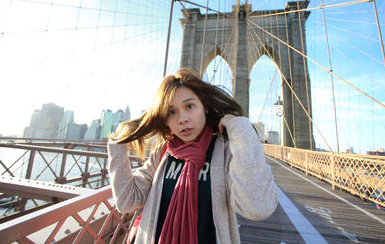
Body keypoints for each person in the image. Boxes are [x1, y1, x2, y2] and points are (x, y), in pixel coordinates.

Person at [107, 68, 278, 244]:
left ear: (204, 107)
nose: (182, 119)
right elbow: (127, 201)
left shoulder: (225, 152)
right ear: (164, 119)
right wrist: (118, 143)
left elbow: (258, 208)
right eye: (171, 112)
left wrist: (239, 126)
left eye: (189, 106)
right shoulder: (163, 153)